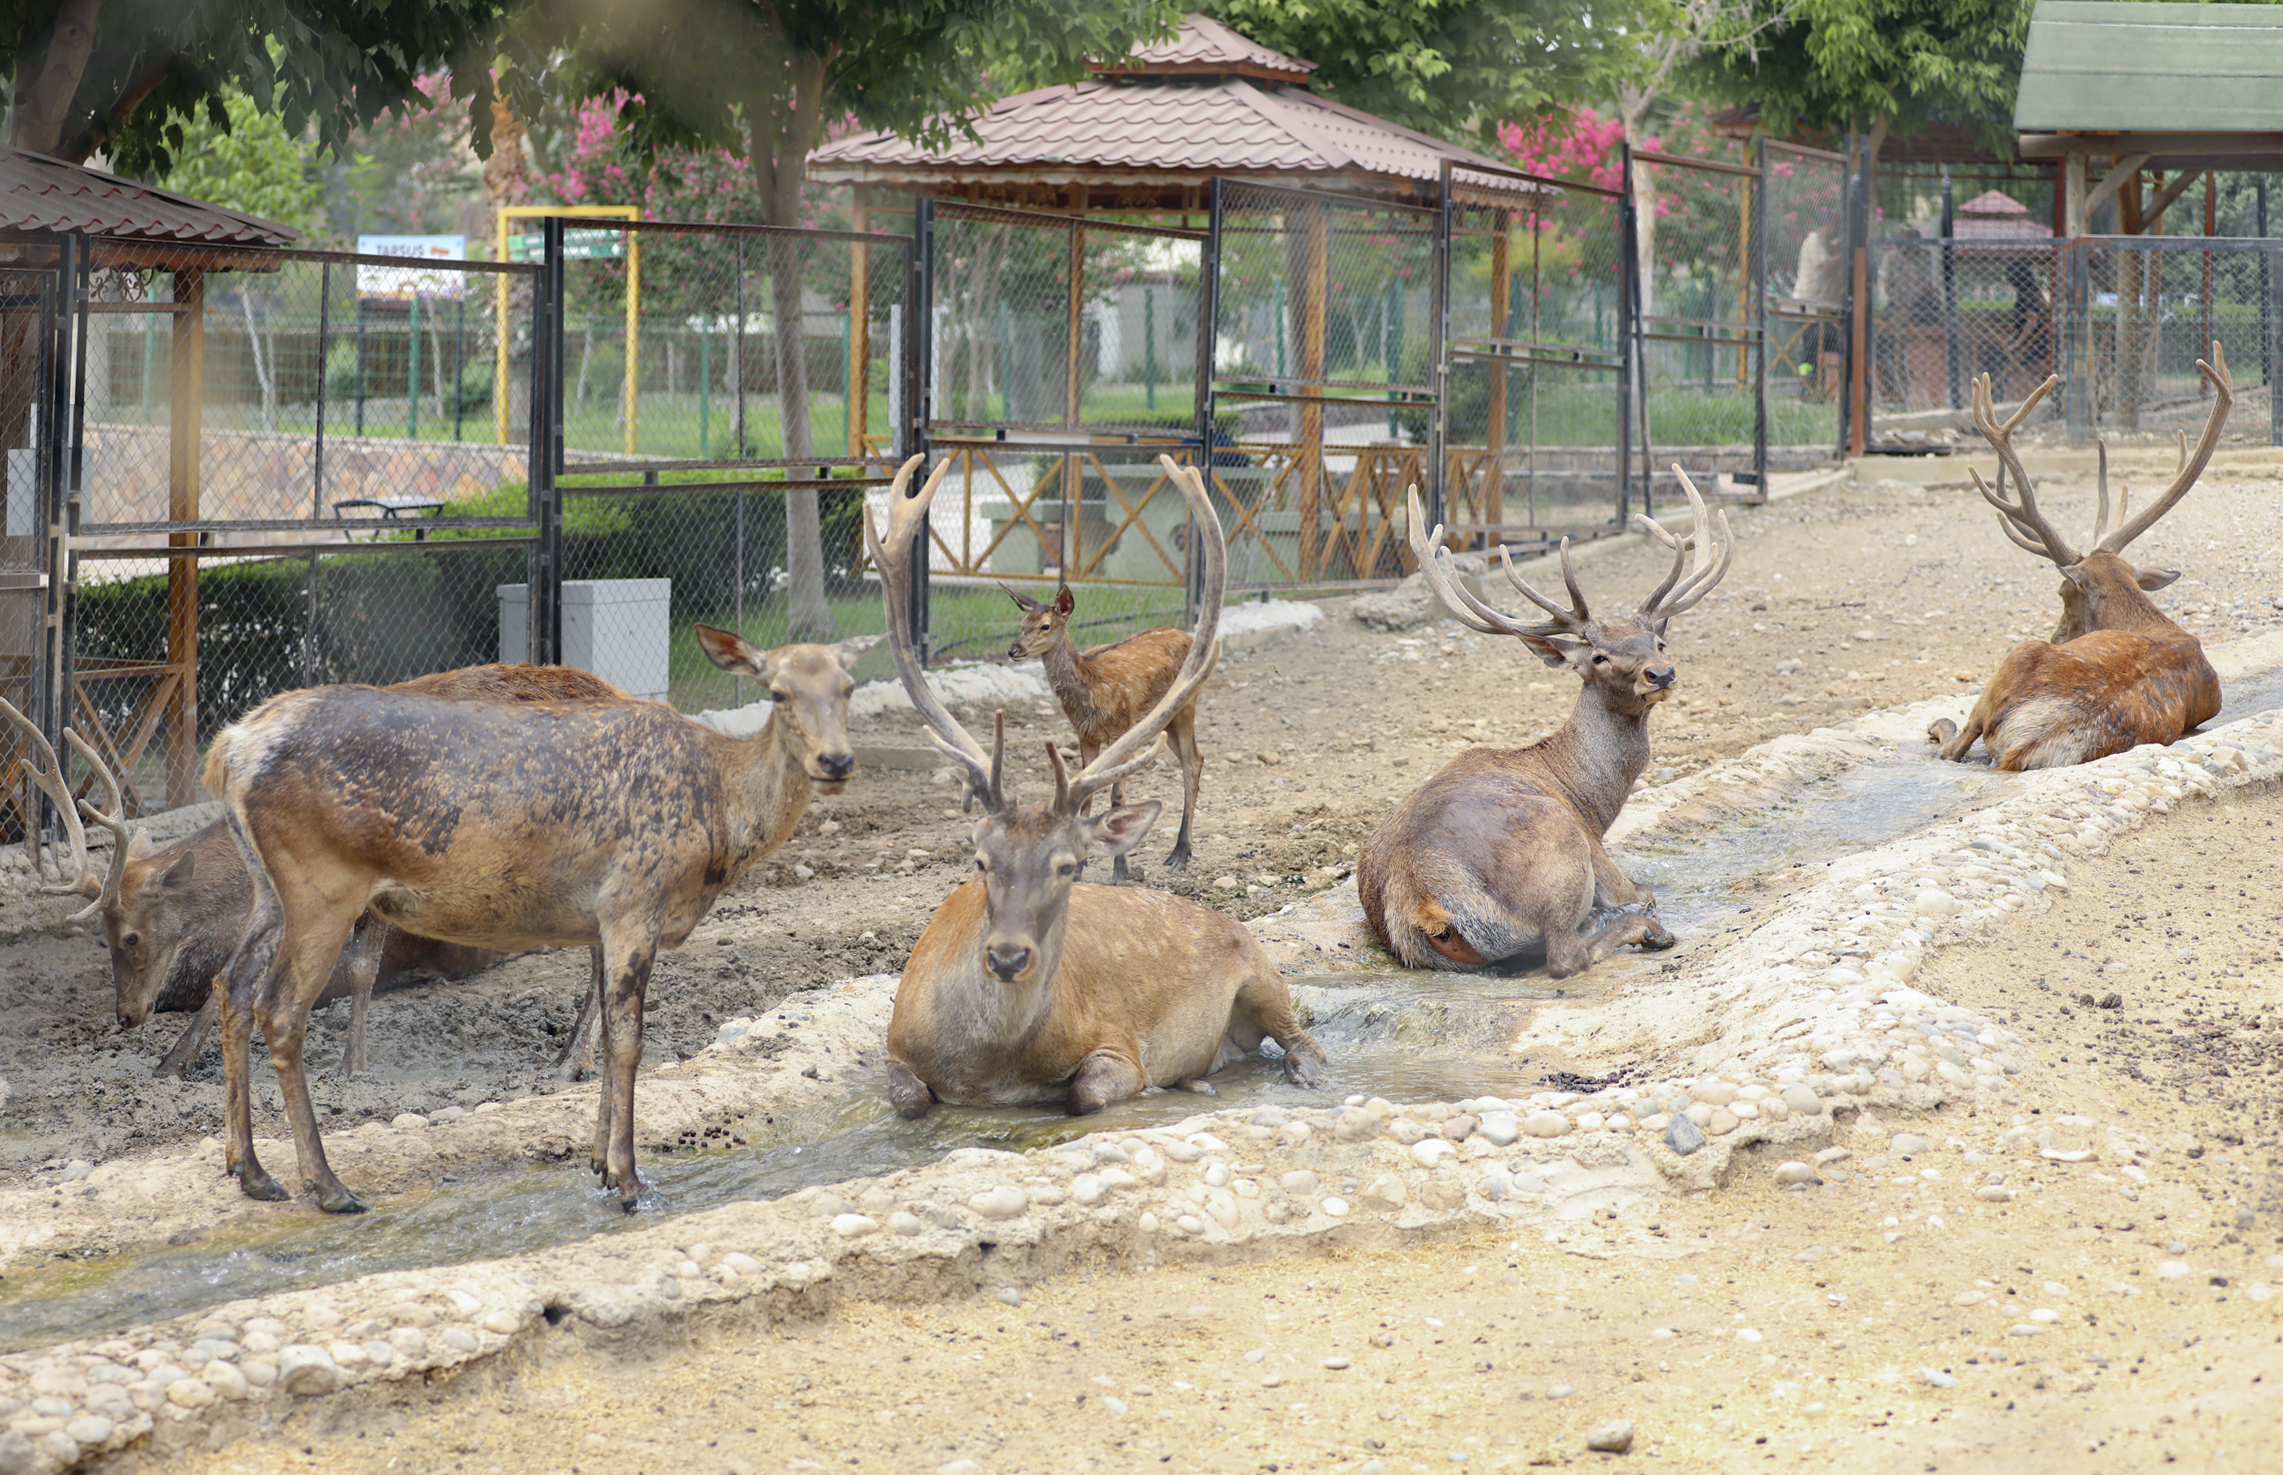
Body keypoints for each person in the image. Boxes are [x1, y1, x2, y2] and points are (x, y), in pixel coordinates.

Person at [1982, 257, 2051, 398]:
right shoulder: (2031, 294)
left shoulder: (2028, 297)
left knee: (1997, 358)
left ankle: (1995, 396)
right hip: (2035, 344)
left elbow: (2032, 321)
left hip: (2034, 346)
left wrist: (2016, 344)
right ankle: (1994, 394)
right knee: (1993, 356)